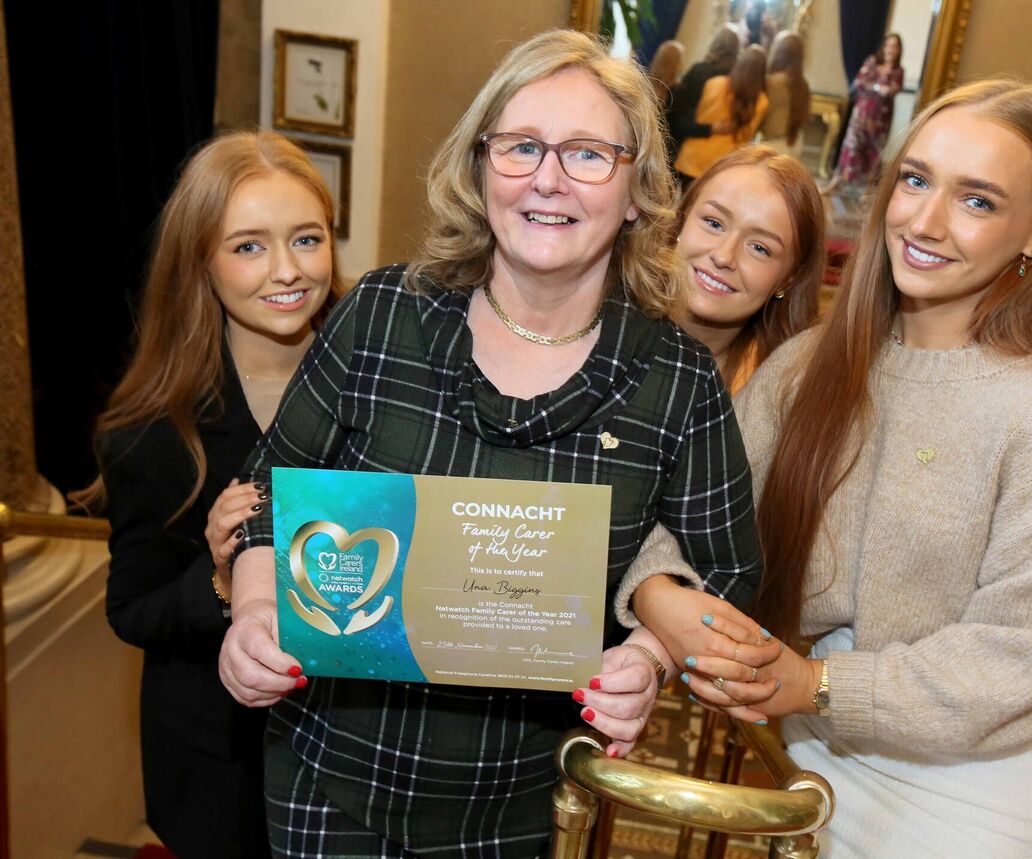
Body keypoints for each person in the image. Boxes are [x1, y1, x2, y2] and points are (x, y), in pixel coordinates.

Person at [217, 29, 762, 857]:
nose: (547, 177)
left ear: (640, 188)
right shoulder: (382, 315)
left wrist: (648, 660)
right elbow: (269, 488)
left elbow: (730, 573)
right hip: (327, 779)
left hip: (521, 812)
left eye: (587, 153)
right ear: (479, 170)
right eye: (520, 147)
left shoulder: (677, 381)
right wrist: (255, 612)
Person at [619, 79, 1032, 857]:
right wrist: (655, 591)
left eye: (977, 201)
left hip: (963, 786)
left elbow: (1025, 653)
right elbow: (691, 506)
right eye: (916, 179)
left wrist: (819, 684)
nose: (926, 221)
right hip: (808, 749)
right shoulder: (808, 366)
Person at [75, 131, 347, 858]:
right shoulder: (149, 432)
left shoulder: (387, 391)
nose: (286, 270)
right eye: (249, 246)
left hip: (362, 752)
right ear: (202, 262)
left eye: (307, 238)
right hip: (222, 770)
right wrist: (220, 580)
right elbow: (132, 609)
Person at [672, 144, 825, 393]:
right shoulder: (599, 324)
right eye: (714, 223)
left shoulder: (779, 395)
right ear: (682, 220)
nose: (723, 256)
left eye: (759, 248)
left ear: (788, 278)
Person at [674, 44, 769, 188]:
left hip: (692, 156)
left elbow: (699, 116)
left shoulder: (713, 84)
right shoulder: (761, 101)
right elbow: (748, 135)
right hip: (722, 164)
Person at [826, 32, 904, 193]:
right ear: (883, 47)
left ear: (899, 50)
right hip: (861, 114)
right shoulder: (872, 62)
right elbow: (860, 82)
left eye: (894, 46)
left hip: (881, 120)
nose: (891, 49)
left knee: (875, 152)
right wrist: (878, 88)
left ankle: (867, 191)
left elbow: (893, 90)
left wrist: (882, 89)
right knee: (851, 146)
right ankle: (837, 181)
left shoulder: (898, 70)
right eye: (888, 45)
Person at [664, 25, 741, 165]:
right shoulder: (737, 82)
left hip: (687, 149)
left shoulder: (699, 71)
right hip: (719, 153)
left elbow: (681, 118)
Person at [759, 31, 811, 160]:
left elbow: (759, 116)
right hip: (795, 143)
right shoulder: (802, 84)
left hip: (772, 146)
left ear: (779, 52)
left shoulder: (771, 82)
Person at [647, 39, 684, 105]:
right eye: (680, 59)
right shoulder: (678, 92)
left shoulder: (645, 85)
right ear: (675, 64)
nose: (682, 63)